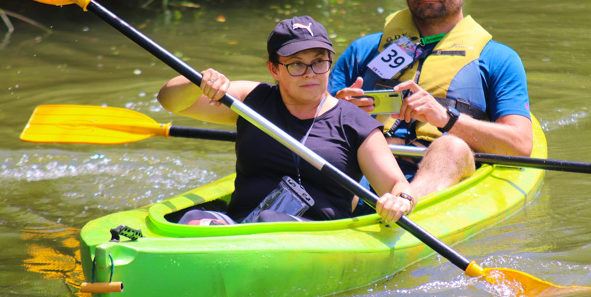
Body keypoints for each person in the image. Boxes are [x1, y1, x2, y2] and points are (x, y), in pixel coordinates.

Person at [328, 0, 533, 198]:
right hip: (367, 169)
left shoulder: (498, 59)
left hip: (438, 174)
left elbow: (519, 145)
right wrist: (340, 113)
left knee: (452, 147)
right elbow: (304, 125)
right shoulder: (362, 51)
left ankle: (406, 207)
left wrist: (446, 119)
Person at [157, 15, 416, 225]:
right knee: (192, 218)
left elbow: (396, 185)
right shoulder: (252, 100)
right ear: (274, 69)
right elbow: (170, 101)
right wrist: (199, 81)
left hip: (313, 235)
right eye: (296, 64)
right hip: (241, 226)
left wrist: (400, 200)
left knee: (270, 220)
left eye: (318, 62)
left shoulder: (355, 122)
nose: (310, 74)